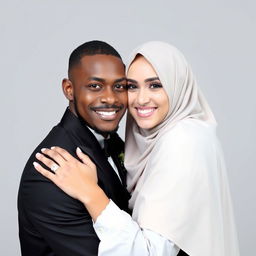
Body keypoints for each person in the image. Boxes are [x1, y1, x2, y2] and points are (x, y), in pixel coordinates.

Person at [35, 41, 240, 256]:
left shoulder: (183, 141)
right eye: (132, 86)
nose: (141, 99)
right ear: (68, 89)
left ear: (177, 86)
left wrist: (91, 193)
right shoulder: (178, 136)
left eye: (155, 85)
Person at [18, 40, 130, 256]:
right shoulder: (50, 171)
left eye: (119, 86)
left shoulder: (114, 142)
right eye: (95, 86)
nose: (110, 98)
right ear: (69, 89)